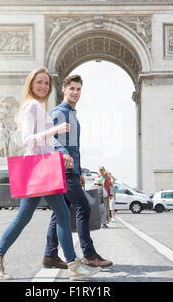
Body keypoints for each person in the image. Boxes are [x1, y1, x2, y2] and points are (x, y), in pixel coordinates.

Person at [0, 67, 101, 281]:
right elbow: (27, 140)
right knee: (39, 217)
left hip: (46, 167)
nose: (43, 86)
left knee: (47, 216)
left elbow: (45, 144)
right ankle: (73, 266)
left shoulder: (39, 107)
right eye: (39, 82)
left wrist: (59, 153)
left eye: (47, 83)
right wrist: (54, 130)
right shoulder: (31, 106)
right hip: (39, 168)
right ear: (31, 83)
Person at [43, 74, 113, 269]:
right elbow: (48, 138)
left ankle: (50, 255)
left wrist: (80, 171)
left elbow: (75, 146)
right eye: (71, 88)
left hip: (70, 170)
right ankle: (89, 254)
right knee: (83, 206)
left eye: (78, 89)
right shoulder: (59, 112)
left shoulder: (72, 115)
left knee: (59, 213)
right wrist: (64, 153)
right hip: (63, 169)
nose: (75, 92)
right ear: (63, 90)